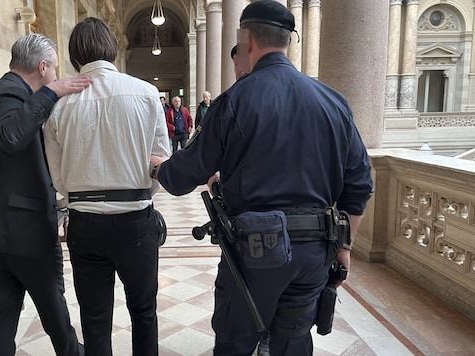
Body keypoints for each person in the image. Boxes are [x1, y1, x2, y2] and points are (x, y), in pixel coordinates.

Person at [150, 1, 373, 355]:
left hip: (253, 253)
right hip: (315, 250)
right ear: (289, 41)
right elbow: (360, 184)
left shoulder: (235, 101)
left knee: (236, 341)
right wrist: (344, 246)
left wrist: (158, 167)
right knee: (293, 341)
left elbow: (182, 176)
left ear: (247, 40)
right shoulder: (333, 101)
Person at [0, 34, 91, 356]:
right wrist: (52, 93)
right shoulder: (13, 93)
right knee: (53, 305)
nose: (55, 76)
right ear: (43, 67)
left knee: (1, 311)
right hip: (23, 232)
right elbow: (11, 135)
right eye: (54, 70)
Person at [43, 17, 171, 356]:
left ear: (74, 56)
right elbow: (161, 161)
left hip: (84, 223)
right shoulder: (146, 94)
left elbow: (57, 178)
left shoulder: (58, 106)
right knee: (144, 312)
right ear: (112, 51)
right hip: (135, 221)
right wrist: (139, 191)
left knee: (95, 317)